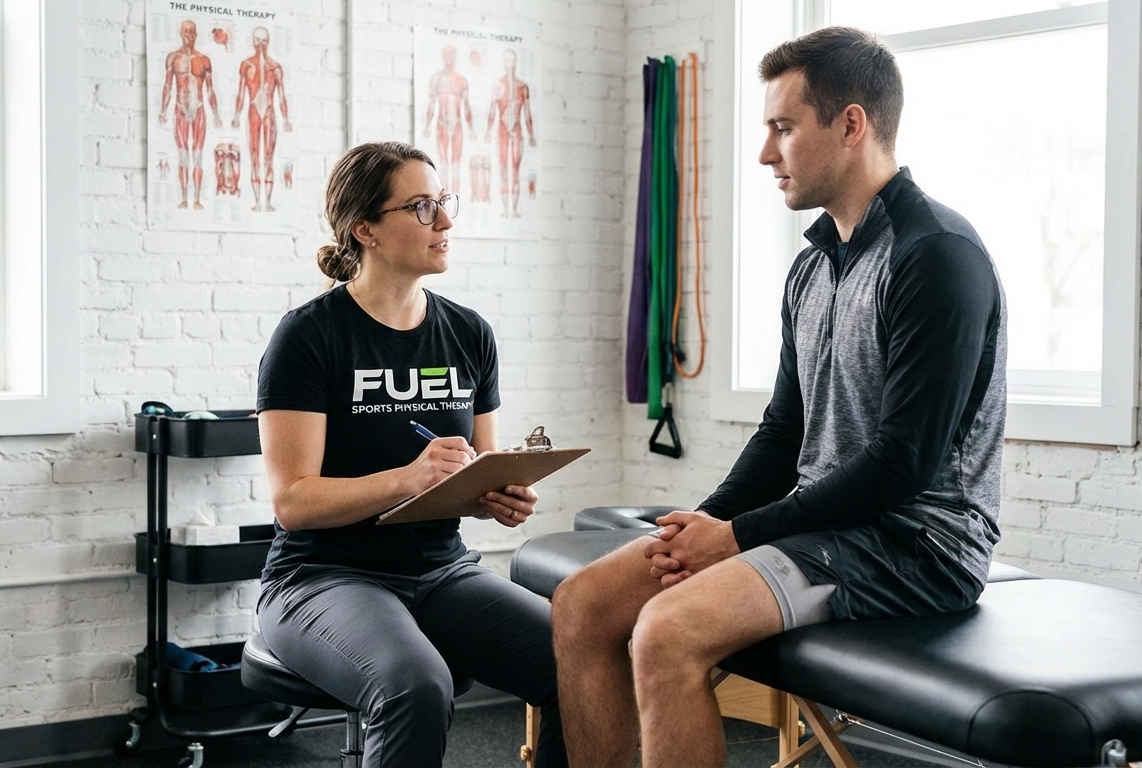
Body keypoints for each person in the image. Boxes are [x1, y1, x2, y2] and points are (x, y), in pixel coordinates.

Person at [552, 26, 1007, 768]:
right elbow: (783, 430)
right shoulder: (813, 267)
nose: (766, 153)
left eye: (784, 129)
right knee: (585, 604)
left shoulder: (937, 257)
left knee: (665, 630)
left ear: (851, 124)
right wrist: (705, 521)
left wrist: (735, 538)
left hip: (917, 548)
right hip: (827, 530)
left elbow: (904, 463)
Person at [254, 141, 566, 767]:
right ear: (364, 228)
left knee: (584, 654)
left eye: (443, 202)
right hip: (322, 577)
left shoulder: (469, 331)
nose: (445, 222)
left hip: (441, 569)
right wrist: (405, 478)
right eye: (422, 207)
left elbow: (476, 472)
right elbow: (293, 503)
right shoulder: (309, 335)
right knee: (417, 685)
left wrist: (498, 497)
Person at [159, 19, 218, 210]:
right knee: (183, 155)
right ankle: (184, 198)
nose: (189, 36)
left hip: (199, 109)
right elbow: (168, 86)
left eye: (192, 32)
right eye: (185, 32)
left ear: (196, 34)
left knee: (198, 156)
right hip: (180, 109)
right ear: (180, 33)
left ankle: (197, 199)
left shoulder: (204, 60)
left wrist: (216, 114)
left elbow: (210, 90)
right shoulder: (173, 58)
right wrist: (163, 110)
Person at [232, 26, 291, 212]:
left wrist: (286, 119)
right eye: (258, 41)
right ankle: (258, 201)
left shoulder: (275, 68)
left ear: (268, 42)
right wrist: (236, 116)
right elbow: (241, 93)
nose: (260, 45)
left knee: (268, 157)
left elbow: (281, 96)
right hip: (253, 112)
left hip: (269, 113)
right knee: (255, 156)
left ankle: (268, 201)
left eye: (264, 41)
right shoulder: (246, 65)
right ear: (253, 42)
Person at [485, 49, 536, 218]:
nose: (510, 64)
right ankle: (505, 209)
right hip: (502, 129)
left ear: (516, 62)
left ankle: (513, 209)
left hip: (517, 129)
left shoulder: (523, 87)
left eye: (512, 61)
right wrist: (487, 131)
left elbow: (527, 113)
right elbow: (493, 110)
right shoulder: (498, 85)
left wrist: (531, 134)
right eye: (507, 60)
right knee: (503, 168)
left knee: (514, 169)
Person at [423, 45, 475, 194]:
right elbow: (432, 104)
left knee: (456, 164)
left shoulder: (462, 80)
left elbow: (466, 106)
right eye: (447, 55)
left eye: (452, 55)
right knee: (444, 163)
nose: (449, 58)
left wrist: (471, 128)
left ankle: (455, 202)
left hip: (457, 124)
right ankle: (443, 200)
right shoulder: (436, 79)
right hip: (442, 124)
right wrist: (427, 125)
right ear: (443, 57)